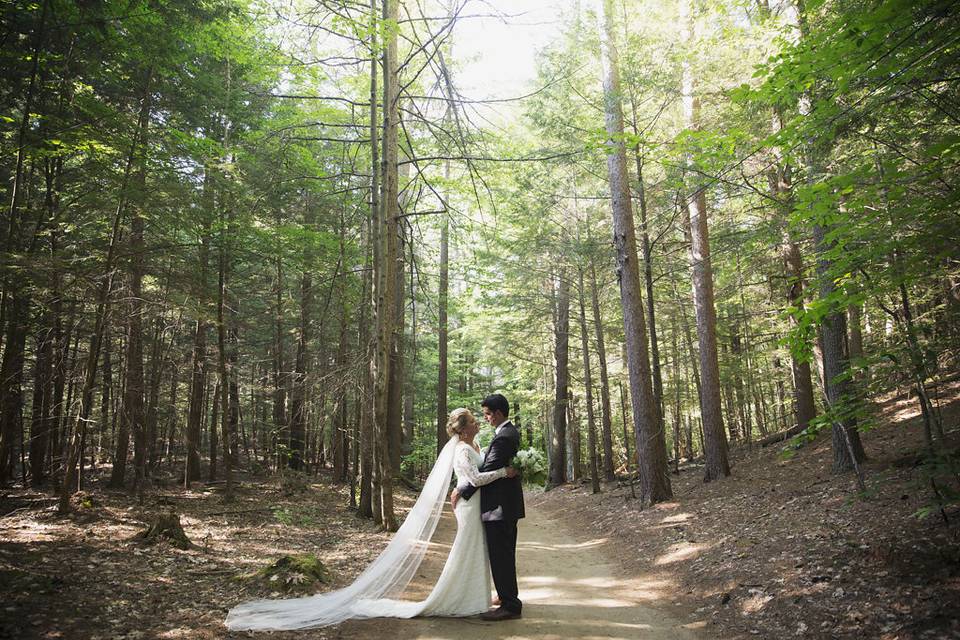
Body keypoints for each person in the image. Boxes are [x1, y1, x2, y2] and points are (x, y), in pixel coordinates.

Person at [224, 407, 517, 630]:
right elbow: (475, 478)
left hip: (474, 504)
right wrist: (505, 472)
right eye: (474, 421)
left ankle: (475, 596)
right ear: (463, 429)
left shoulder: (474, 446)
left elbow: (470, 479)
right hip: (469, 508)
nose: (479, 422)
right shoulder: (462, 451)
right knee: (465, 550)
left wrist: (467, 485)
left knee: (476, 551)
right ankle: (453, 597)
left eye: (480, 418)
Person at [450, 393, 525, 621]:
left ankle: (510, 605)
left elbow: (482, 472)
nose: (484, 419)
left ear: (499, 413)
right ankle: (507, 597)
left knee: (501, 554)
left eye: (487, 414)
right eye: (479, 417)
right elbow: (481, 470)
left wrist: (462, 490)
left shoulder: (504, 436)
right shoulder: (504, 433)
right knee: (503, 553)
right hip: (501, 505)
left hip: (499, 506)